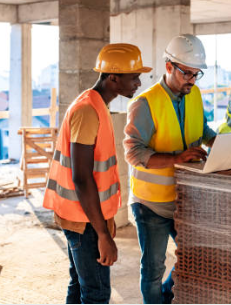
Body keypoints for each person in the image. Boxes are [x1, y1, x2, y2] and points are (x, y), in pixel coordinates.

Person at [43, 43, 152, 304]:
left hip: (83, 215)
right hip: (84, 221)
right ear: (113, 77)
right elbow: (81, 178)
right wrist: (102, 234)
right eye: (133, 76)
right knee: (96, 293)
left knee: (81, 285)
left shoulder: (96, 104)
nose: (138, 82)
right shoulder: (88, 111)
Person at [124, 34, 216, 304]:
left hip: (186, 199)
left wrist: (222, 144)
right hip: (151, 203)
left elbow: (203, 130)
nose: (191, 79)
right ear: (169, 67)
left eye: (196, 74)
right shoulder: (145, 104)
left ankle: (165, 297)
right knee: (153, 269)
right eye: (186, 72)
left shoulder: (195, 94)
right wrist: (177, 158)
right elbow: (133, 152)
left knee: (195, 256)